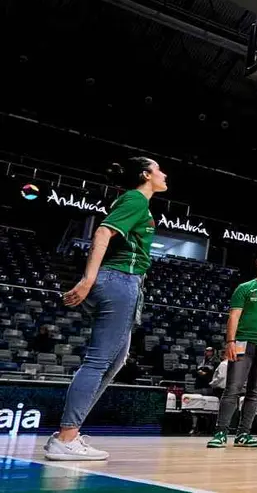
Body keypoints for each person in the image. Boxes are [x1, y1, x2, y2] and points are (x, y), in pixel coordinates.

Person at [46, 158, 167, 461]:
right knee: (98, 361)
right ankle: (67, 436)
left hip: (125, 282)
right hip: (118, 280)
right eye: (158, 169)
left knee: (116, 360)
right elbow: (102, 234)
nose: (164, 174)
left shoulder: (138, 202)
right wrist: (88, 280)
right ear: (145, 175)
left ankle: (69, 433)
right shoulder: (136, 198)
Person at [207, 252, 257, 448]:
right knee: (233, 389)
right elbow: (234, 316)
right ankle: (220, 433)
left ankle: (243, 434)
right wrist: (230, 342)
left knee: (255, 393)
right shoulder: (245, 288)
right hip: (244, 343)